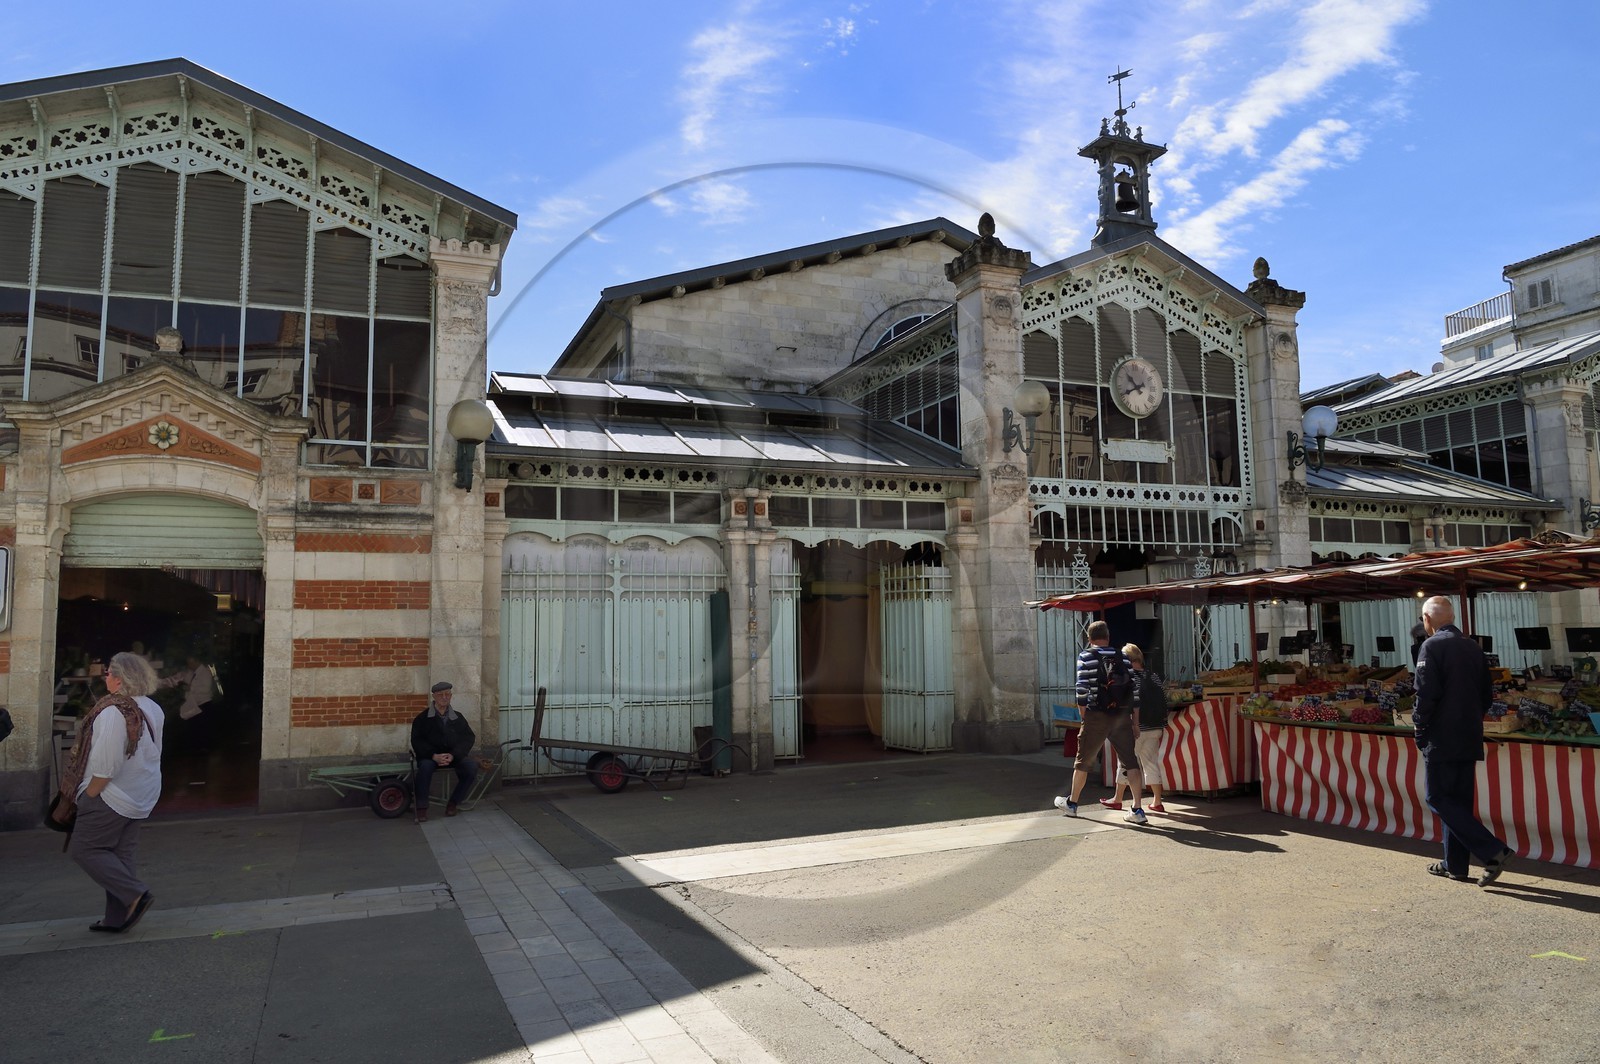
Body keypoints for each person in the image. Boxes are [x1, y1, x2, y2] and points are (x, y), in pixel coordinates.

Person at [1413, 596, 1513, 886]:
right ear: (1452, 617)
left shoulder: (1431, 646)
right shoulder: (1472, 646)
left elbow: (1426, 693)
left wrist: (1419, 725)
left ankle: (1493, 850)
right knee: (1458, 801)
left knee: (1437, 797)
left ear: (1427, 619)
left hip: (1441, 735)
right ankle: (1455, 865)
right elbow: (1486, 694)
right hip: (1469, 734)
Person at [61, 651, 164, 933]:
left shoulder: (111, 712)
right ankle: (117, 918)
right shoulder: (153, 708)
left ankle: (135, 894)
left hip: (111, 795)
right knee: (121, 855)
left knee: (85, 849)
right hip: (141, 793)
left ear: (118, 679)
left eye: (108, 673)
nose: (105, 678)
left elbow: (107, 766)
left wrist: (89, 795)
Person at [1053, 620, 1148, 825]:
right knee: (1130, 762)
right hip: (1121, 716)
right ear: (1108, 637)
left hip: (1096, 715)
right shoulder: (1123, 657)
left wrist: (1083, 715)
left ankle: (1072, 804)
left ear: (1089, 638)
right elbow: (1134, 692)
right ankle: (1137, 809)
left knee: (1083, 761)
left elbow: (1081, 689)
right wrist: (1135, 722)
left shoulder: (1085, 657)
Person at [1100, 643, 1169, 814]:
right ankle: (1157, 801)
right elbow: (1164, 700)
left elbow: (1126, 703)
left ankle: (1117, 799)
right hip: (1155, 727)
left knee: (1126, 763)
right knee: (1151, 763)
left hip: (1136, 728)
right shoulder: (1154, 676)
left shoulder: (1128, 678)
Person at [410, 681, 478, 823]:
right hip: (430, 757)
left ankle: (453, 802)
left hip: (452, 756)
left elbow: (468, 738)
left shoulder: (457, 717)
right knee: (425, 768)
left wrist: (454, 754)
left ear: (451, 696)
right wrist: (433, 755)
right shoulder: (422, 718)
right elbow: (417, 741)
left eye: (447, 694)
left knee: (471, 767)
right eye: (440, 695)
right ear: (434, 696)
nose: (444, 697)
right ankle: (421, 807)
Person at [159, 654, 218, 753]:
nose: (189, 665)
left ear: (196, 661)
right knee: (194, 726)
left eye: (190, 663)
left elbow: (206, 689)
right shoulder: (190, 673)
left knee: (203, 727)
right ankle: (195, 747)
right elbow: (181, 678)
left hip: (204, 703)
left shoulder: (206, 672)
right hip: (193, 703)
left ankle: (204, 748)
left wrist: (191, 688)